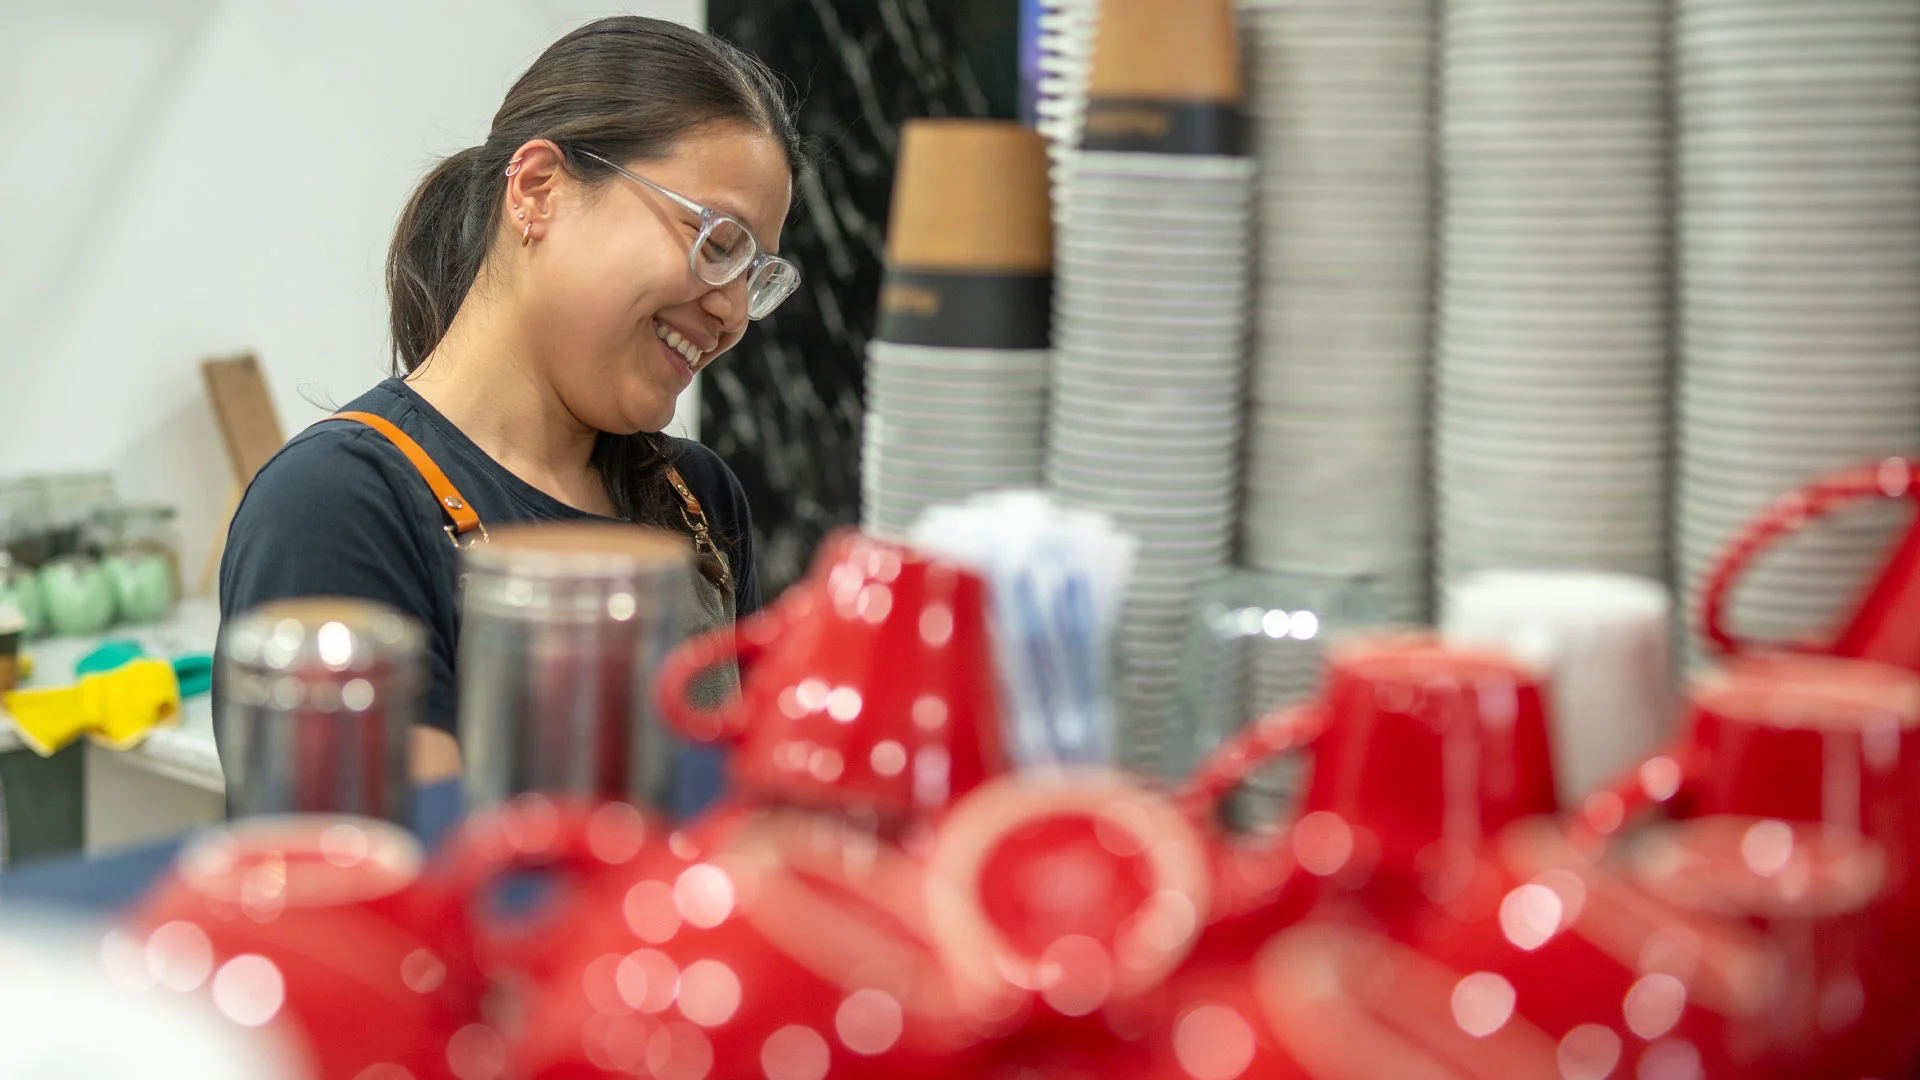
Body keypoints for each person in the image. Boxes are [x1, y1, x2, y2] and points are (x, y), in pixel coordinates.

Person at [216, 16, 803, 815]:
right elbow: (386, 864)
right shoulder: (338, 503)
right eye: (718, 242)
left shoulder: (698, 498)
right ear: (537, 190)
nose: (733, 311)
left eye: (757, 273)